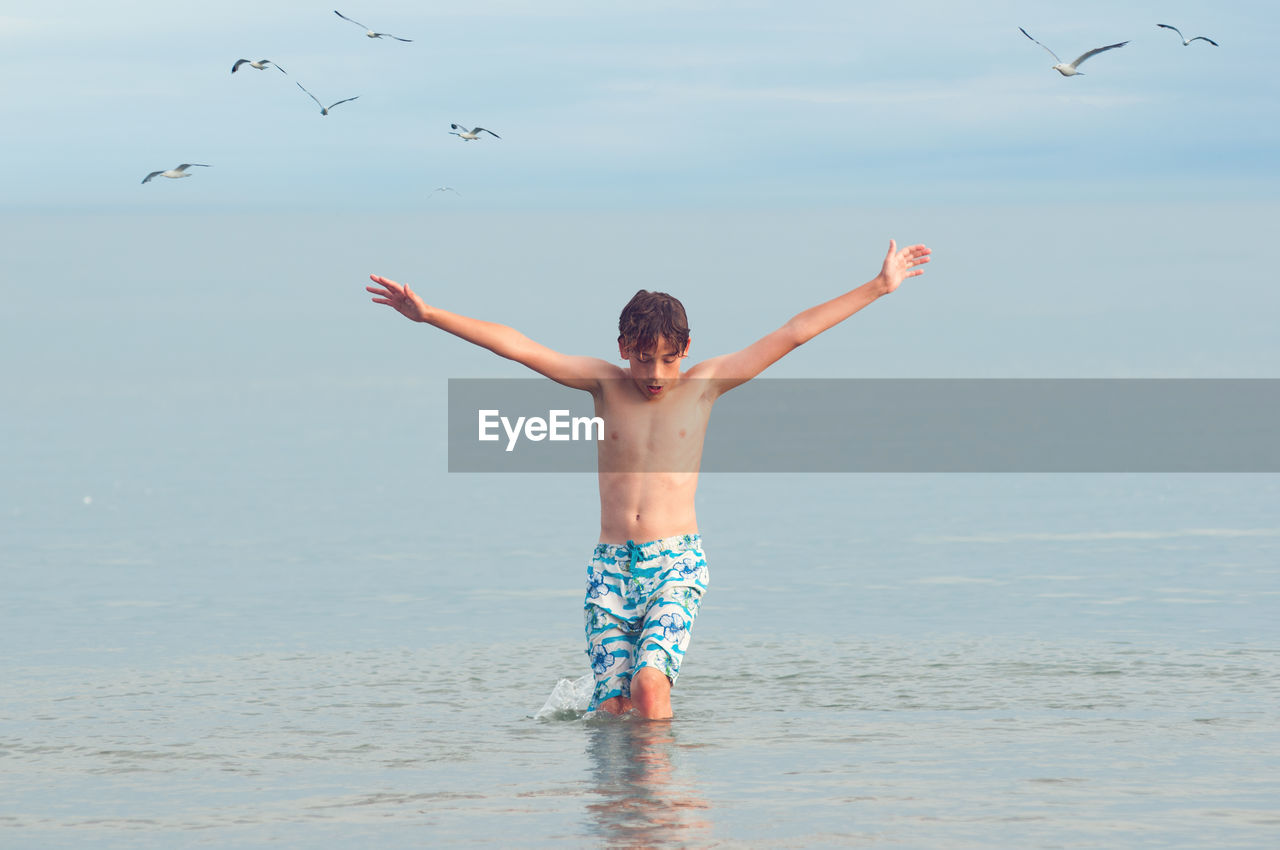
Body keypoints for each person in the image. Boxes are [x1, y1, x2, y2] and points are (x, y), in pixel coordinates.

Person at [367, 239, 931, 719]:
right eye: (642, 360)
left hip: (675, 564)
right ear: (623, 350)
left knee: (650, 688)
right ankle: (621, 818)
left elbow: (793, 332)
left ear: (685, 350)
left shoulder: (704, 385)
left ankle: (661, 818)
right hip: (609, 568)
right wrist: (431, 314)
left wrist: (879, 285)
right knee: (611, 709)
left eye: (666, 359)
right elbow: (518, 346)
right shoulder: (604, 384)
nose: (654, 374)